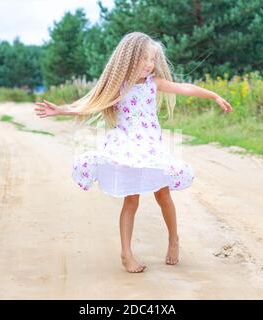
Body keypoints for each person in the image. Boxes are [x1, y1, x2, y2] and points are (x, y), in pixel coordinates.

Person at [35, 32, 232, 273]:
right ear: (129, 59)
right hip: (127, 147)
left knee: (163, 195)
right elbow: (90, 105)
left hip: (151, 148)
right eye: (144, 59)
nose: (150, 64)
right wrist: (61, 110)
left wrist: (214, 95)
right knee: (131, 200)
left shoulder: (154, 83)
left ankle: (173, 239)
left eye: (152, 59)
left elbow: (184, 88)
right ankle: (126, 254)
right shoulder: (118, 87)